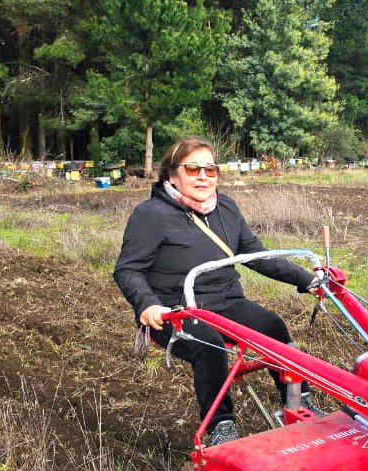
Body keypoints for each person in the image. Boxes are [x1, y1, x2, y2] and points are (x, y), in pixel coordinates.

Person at [114, 135, 319, 445]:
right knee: (208, 344)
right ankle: (221, 426)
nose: (202, 177)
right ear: (173, 174)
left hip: (226, 302)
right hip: (175, 311)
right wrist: (148, 305)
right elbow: (128, 269)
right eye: (193, 168)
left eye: (210, 170)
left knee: (274, 327)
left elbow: (256, 255)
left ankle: (298, 401)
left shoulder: (226, 207)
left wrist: (307, 279)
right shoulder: (151, 215)